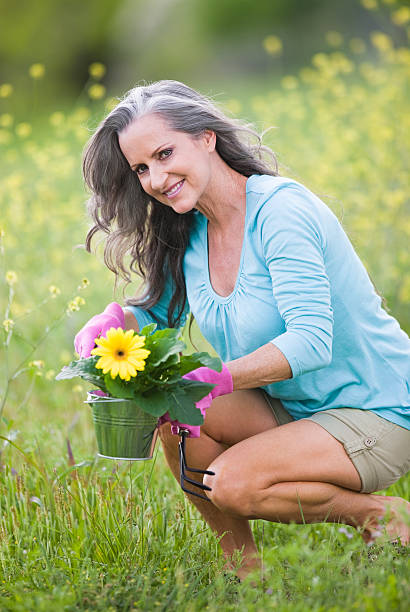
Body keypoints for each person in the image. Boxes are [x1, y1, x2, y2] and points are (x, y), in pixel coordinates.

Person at [75, 79, 410, 580]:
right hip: (294, 407)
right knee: (172, 410)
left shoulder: (280, 212)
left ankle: (381, 516)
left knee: (231, 483)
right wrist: (113, 322)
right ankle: (244, 570)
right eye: (142, 168)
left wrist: (223, 378)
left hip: (378, 409)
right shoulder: (190, 231)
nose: (157, 178)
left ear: (206, 137)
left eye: (165, 154)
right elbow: (155, 313)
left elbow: (311, 340)